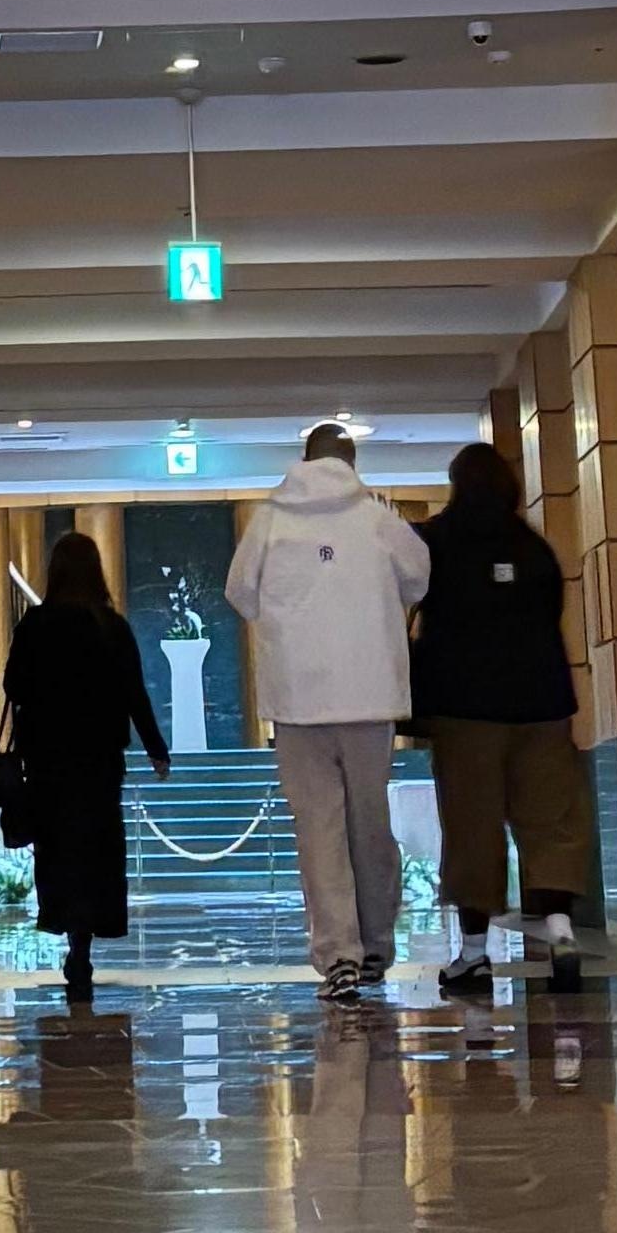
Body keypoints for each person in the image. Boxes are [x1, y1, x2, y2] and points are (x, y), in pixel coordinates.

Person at [227, 422, 428, 1001]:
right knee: (370, 825)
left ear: (304, 458)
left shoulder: (270, 519)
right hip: (370, 696)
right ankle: (376, 946)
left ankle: (338, 955)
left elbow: (239, 593)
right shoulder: (378, 519)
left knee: (319, 829)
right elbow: (419, 580)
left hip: (297, 701)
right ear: (352, 461)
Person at [412, 436, 592, 1004]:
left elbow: (411, 609)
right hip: (543, 705)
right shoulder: (535, 548)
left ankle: (473, 955)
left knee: (473, 827)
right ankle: (561, 935)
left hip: (466, 710)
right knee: (551, 822)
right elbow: (552, 614)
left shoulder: (435, 542)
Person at [0, 526, 166, 1010]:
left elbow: (12, 685)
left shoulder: (35, 626)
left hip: (47, 762)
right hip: (99, 763)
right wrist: (156, 748)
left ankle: (71, 934)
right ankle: (84, 943)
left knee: (58, 852)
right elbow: (134, 693)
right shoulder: (111, 627)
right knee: (96, 853)